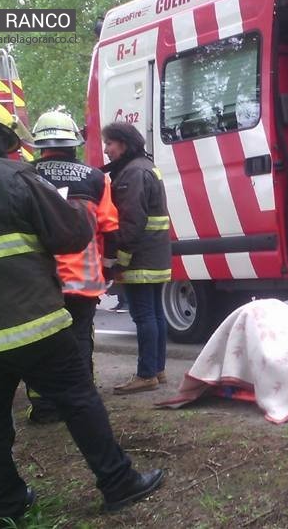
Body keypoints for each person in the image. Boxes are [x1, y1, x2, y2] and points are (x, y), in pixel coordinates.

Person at [0, 96, 164, 523]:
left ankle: (7, 505)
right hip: (34, 324)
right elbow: (69, 235)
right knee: (80, 399)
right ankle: (118, 483)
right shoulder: (13, 176)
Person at [23, 108, 119, 424]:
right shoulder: (96, 178)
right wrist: (109, 269)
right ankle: (81, 401)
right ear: (73, 143)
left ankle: (45, 407)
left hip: (40, 282)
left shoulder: (24, 176)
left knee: (40, 344)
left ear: (39, 145)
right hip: (84, 280)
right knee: (79, 338)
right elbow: (110, 227)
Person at [100, 122, 172, 395]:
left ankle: (146, 374)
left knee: (144, 315)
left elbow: (131, 221)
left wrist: (120, 260)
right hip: (155, 254)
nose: (106, 150)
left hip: (140, 257)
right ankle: (158, 369)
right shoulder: (145, 165)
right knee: (155, 313)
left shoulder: (131, 173)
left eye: (110, 144)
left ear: (124, 144)